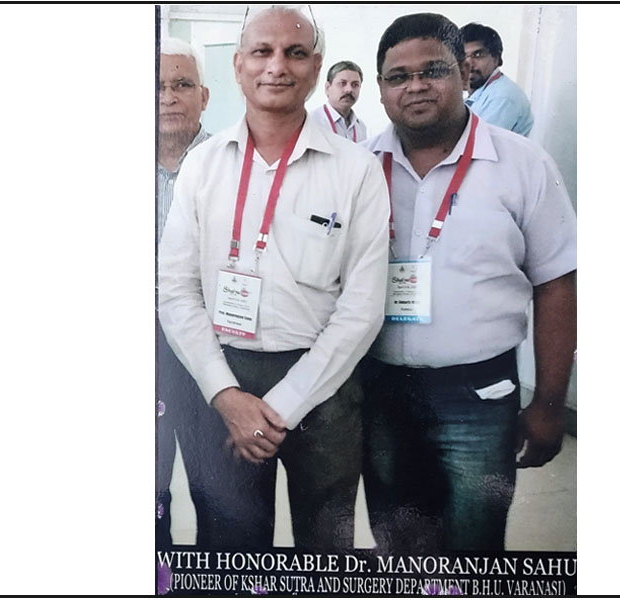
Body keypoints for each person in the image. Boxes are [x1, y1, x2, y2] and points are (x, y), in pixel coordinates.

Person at [158, 6, 389, 551]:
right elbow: (176, 290)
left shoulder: (356, 169)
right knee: (231, 546)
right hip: (222, 377)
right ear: (238, 66)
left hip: (324, 385)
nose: (277, 66)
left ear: (316, 68)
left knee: (326, 551)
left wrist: (284, 403)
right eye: (262, 51)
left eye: (296, 52)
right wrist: (225, 395)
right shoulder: (203, 165)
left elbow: (362, 308)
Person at [361, 13, 576, 554]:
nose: (415, 86)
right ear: (381, 89)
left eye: (432, 70)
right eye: (398, 76)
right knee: (396, 545)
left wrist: (550, 403)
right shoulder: (359, 167)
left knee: (474, 550)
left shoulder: (522, 164)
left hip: (478, 395)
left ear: (464, 72)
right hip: (378, 389)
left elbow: (557, 284)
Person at [156, 37, 212, 547]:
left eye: (181, 84)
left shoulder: (230, 161)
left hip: (210, 343)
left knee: (216, 487)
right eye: (156, 86)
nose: (168, 97)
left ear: (204, 96)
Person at [461, 22, 534, 136]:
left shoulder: (502, 96)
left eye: (478, 55)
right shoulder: (481, 93)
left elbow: (476, 141)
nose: (469, 63)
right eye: (463, 56)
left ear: (496, 59)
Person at [310, 60, 367, 142]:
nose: (349, 89)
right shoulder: (313, 122)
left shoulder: (361, 128)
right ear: (328, 88)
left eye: (355, 84)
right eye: (342, 83)